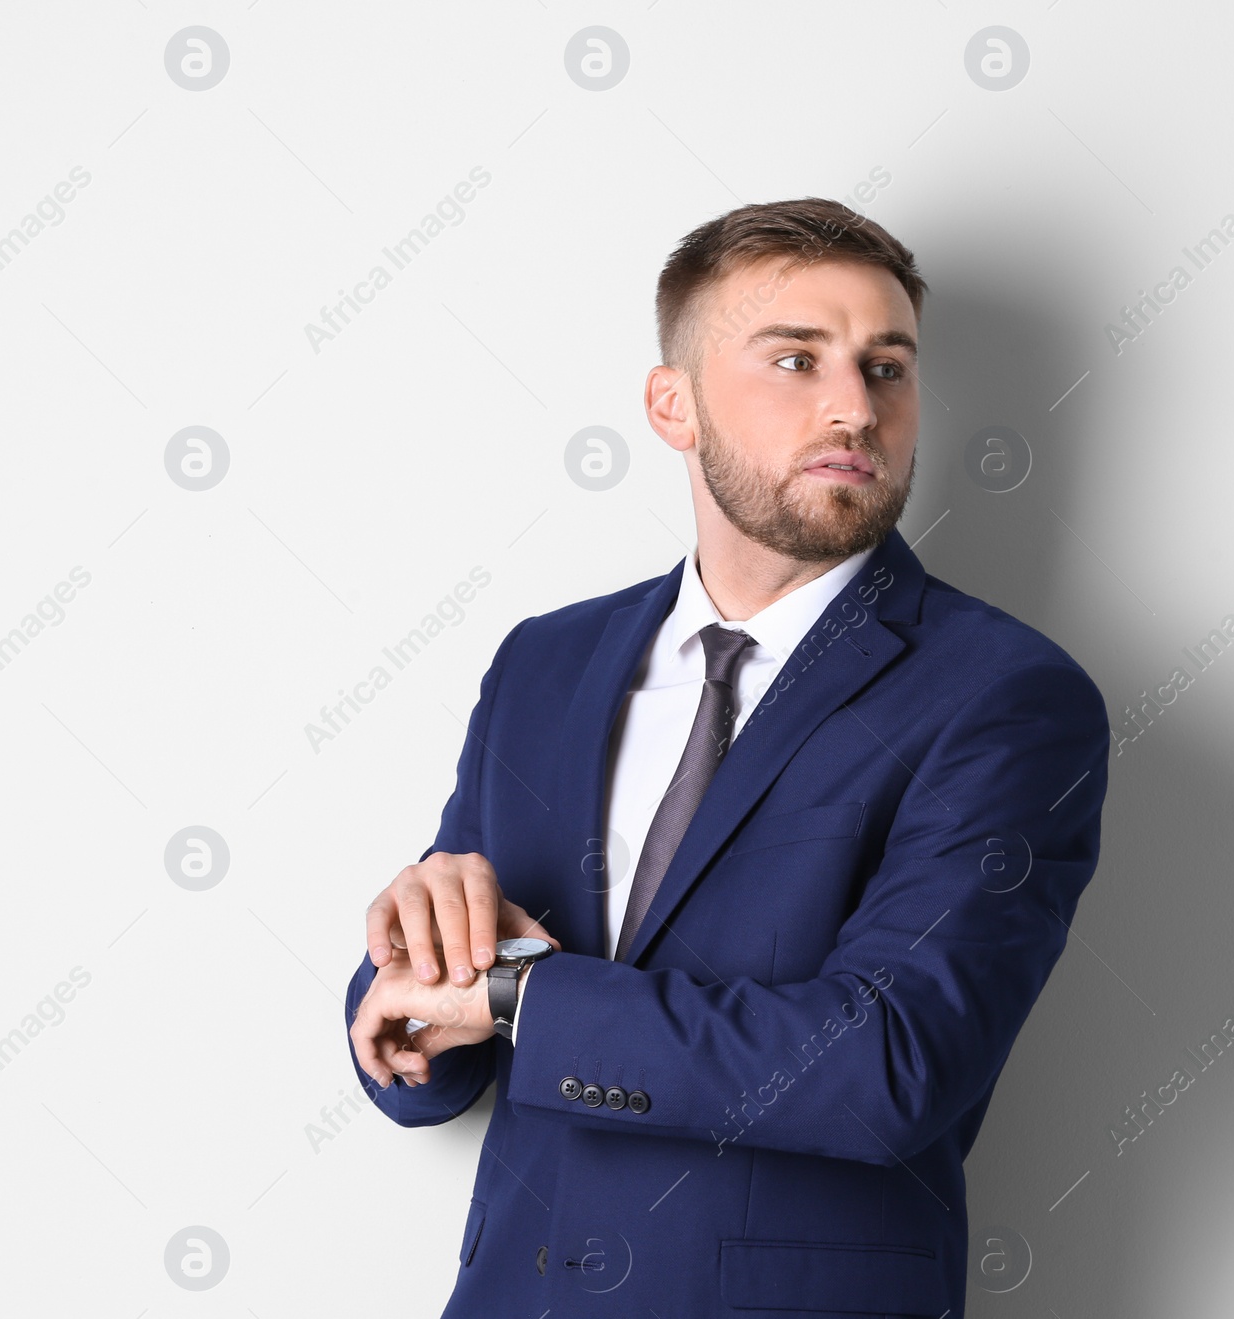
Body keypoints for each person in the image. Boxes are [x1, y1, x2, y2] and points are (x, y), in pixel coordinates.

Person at [345, 196, 1111, 1316]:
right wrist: (407, 981)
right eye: (795, 359)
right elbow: (432, 1032)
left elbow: (885, 1067)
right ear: (673, 404)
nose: (853, 406)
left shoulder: (1005, 696)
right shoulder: (545, 662)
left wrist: (516, 993)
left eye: (886, 368)